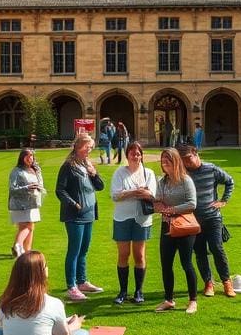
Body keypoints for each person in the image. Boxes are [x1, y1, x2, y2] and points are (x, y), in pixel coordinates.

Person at [177, 143, 236, 298]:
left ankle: (226, 282)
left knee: (217, 248)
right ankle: (208, 282)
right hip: (193, 220)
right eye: (183, 160)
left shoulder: (211, 169)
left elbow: (229, 181)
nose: (186, 163)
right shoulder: (183, 173)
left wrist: (224, 200)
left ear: (196, 154)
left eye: (188, 158)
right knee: (200, 252)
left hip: (212, 217)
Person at [55, 133, 105, 301]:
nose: (89, 150)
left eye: (90, 147)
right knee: (74, 250)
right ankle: (72, 286)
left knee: (84, 249)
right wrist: (73, 204)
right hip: (74, 214)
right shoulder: (68, 166)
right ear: (77, 147)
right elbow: (60, 190)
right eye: (86, 147)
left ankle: (82, 281)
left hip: (89, 212)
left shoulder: (87, 164)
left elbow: (100, 187)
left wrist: (94, 173)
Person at [110, 141, 157, 304]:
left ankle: (138, 291)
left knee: (139, 254)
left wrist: (127, 193)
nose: (135, 156)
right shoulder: (119, 173)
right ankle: (123, 291)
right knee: (123, 254)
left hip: (142, 219)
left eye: (138, 154)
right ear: (127, 155)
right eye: (132, 153)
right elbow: (115, 195)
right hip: (122, 218)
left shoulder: (148, 172)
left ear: (141, 155)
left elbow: (151, 194)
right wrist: (137, 191)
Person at [153, 147, 198, 313]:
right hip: (167, 226)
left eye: (168, 160)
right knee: (166, 264)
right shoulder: (162, 182)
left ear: (176, 161)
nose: (164, 163)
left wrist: (171, 209)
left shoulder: (186, 180)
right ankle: (169, 299)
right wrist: (158, 206)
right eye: (163, 160)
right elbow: (157, 202)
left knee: (186, 264)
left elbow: (192, 204)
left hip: (184, 226)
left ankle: (192, 300)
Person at [8, 148, 44, 257]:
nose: (30, 158)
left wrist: (38, 188)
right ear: (22, 158)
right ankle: (18, 246)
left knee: (29, 226)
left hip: (33, 202)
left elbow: (41, 184)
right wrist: (27, 187)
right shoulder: (16, 171)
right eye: (27, 156)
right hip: (21, 204)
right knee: (28, 226)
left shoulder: (35, 169)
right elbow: (12, 189)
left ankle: (25, 250)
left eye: (31, 156)